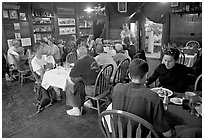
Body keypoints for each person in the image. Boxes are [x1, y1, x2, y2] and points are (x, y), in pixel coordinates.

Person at [112, 58, 173, 137]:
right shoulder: (152, 96)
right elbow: (166, 132)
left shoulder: (117, 88)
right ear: (146, 75)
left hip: (117, 135)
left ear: (129, 75)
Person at [66, 47, 99, 116]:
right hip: (100, 86)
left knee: (73, 83)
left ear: (78, 55)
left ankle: (76, 109)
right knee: (81, 81)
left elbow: (71, 75)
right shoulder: (92, 59)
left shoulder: (80, 62)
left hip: (93, 89)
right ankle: (89, 101)